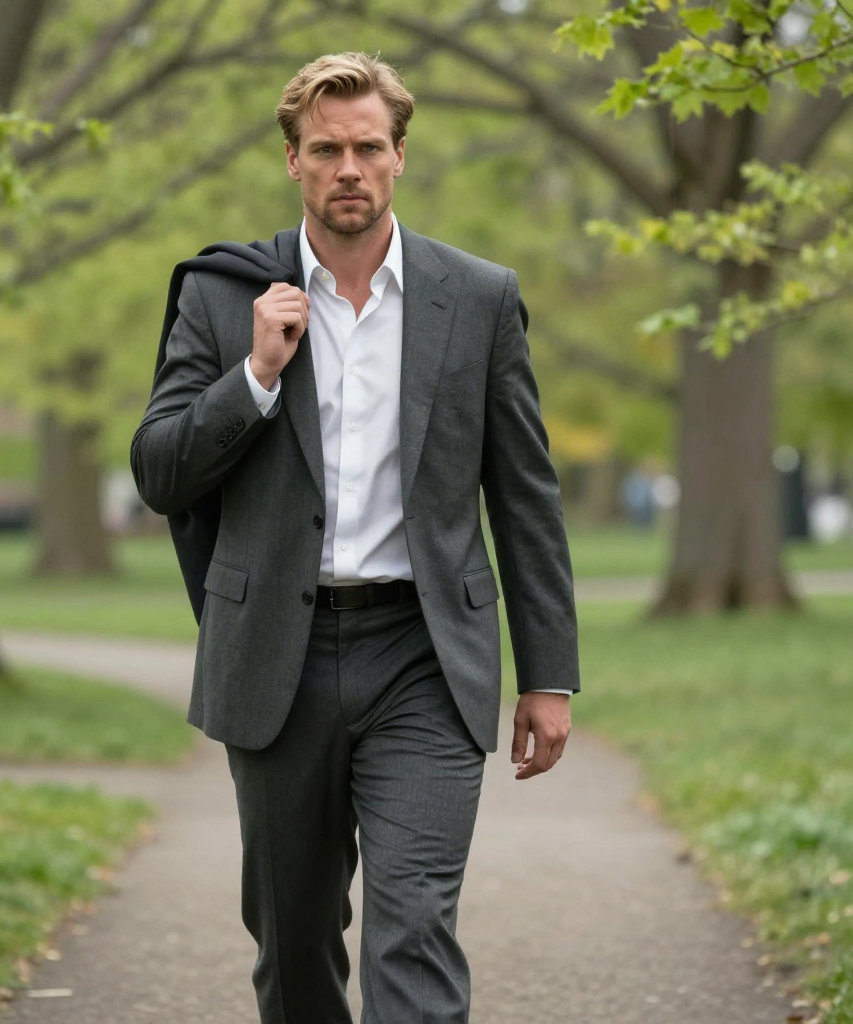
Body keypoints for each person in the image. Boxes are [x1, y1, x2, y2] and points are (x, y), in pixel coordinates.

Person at [131, 52, 579, 1024]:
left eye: (367, 147)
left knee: (413, 925)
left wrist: (549, 674)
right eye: (325, 149)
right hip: (276, 663)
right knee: (293, 941)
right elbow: (159, 472)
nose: (348, 168)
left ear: (398, 157)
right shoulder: (222, 296)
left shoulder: (479, 298)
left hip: (424, 653)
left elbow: (526, 494)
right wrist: (251, 374)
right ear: (292, 160)